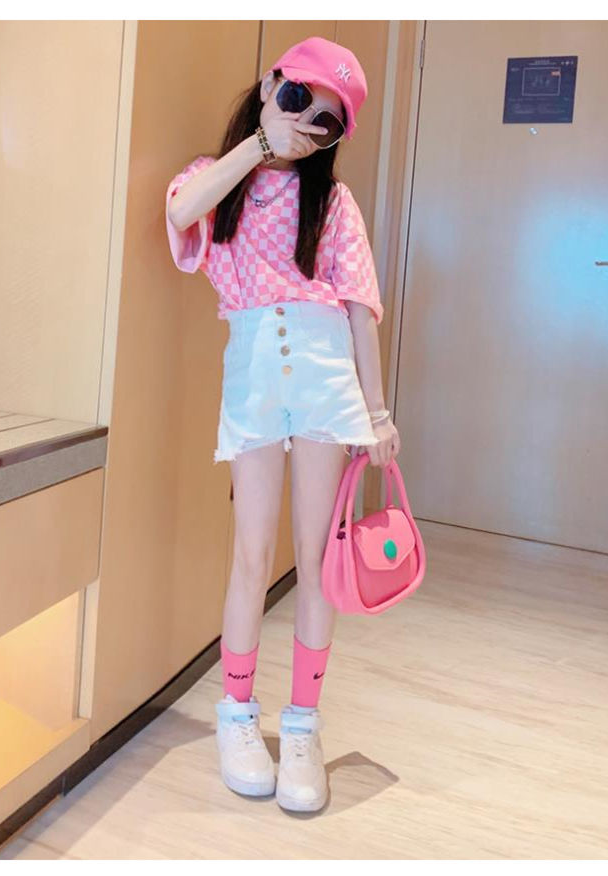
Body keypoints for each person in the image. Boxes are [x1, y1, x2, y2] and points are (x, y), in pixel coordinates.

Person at [165, 36, 401, 813]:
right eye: (297, 98)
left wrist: (377, 411)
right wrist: (260, 146)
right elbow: (180, 211)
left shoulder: (332, 203)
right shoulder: (216, 180)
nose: (305, 124)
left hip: (326, 378)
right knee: (250, 552)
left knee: (314, 559)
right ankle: (237, 715)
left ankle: (302, 725)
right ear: (270, 85)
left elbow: (360, 308)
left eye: (324, 122)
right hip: (256, 377)